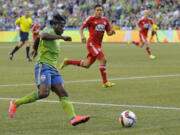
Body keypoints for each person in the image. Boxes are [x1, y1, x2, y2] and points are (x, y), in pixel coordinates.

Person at [8, 13, 90, 126]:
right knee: (44, 93)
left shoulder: (54, 33)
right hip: (43, 66)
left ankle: (74, 118)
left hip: (53, 69)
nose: (63, 28)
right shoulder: (49, 30)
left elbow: (37, 38)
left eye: (64, 26)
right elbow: (42, 36)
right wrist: (62, 37)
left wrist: (35, 49)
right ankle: (15, 103)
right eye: (61, 26)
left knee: (63, 92)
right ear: (54, 25)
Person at [59, 4, 116, 88]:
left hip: (98, 45)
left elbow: (108, 33)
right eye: (97, 10)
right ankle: (105, 82)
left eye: (101, 10)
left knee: (86, 65)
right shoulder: (91, 19)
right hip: (91, 44)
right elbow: (81, 28)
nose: (99, 12)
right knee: (103, 60)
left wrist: (112, 32)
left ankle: (68, 62)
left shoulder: (105, 21)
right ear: (94, 11)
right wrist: (82, 36)